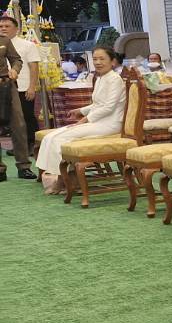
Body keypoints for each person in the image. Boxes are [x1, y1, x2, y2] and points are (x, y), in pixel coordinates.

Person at [36, 46, 126, 194]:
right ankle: (65, 176)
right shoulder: (101, 78)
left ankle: (64, 180)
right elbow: (97, 104)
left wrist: (84, 120)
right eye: (95, 59)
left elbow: (108, 108)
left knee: (62, 137)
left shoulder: (115, 80)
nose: (98, 62)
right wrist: (80, 111)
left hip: (110, 124)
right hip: (98, 122)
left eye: (102, 59)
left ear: (113, 61)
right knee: (51, 136)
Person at [0, 14, 40, 153]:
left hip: (23, 87)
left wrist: (32, 87)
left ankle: (32, 144)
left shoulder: (27, 45)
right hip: (3, 88)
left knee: (27, 117)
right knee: (11, 120)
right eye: (1, 26)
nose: (3, 28)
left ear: (16, 29)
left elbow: (34, 67)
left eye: (7, 26)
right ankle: (18, 146)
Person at [0, 34, 34, 181]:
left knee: (18, 124)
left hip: (7, 85)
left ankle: (24, 166)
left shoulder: (4, 40)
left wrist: (15, 69)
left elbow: (17, 60)